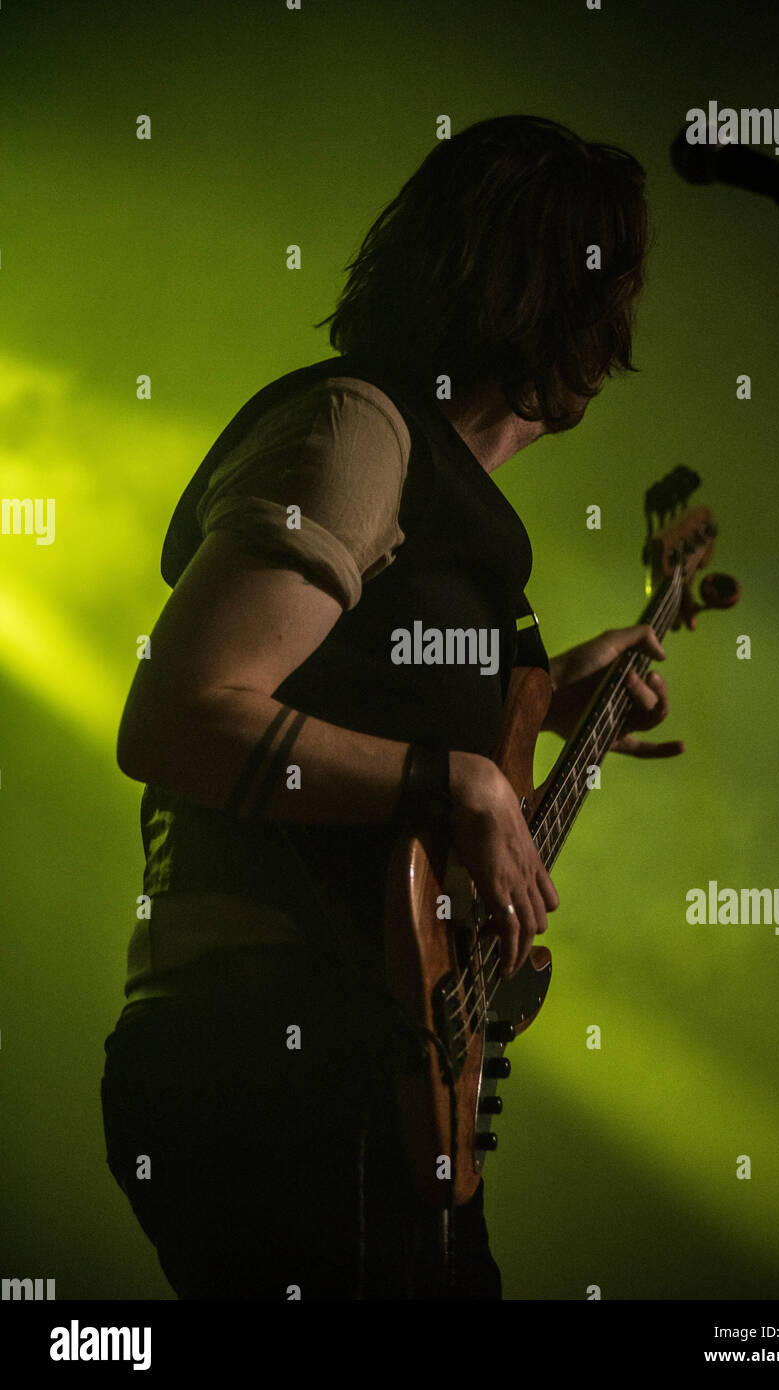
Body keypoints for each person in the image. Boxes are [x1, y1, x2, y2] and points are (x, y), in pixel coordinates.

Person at [100, 114, 683, 1301]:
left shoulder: (441, 496)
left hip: (354, 1065)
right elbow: (178, 715)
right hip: (269, 1058)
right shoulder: (359, 427)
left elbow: (357, 693)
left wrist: (549, 699)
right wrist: (446, 777)